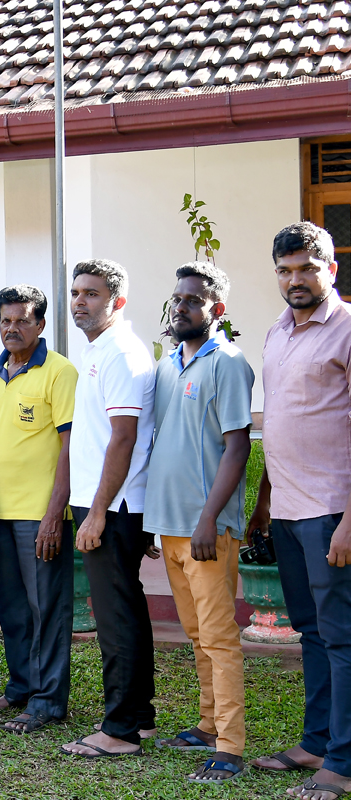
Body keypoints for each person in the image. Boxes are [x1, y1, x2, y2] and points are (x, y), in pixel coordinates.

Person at [249, 222, 351, 800]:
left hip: (333, 512)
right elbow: (281, 425)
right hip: (287, 510)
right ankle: (316, 739)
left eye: (307, 269)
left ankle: (341, 761)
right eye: (285, 270)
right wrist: (264, 504)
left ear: (330, 270)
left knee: (341, 636)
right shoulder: (277, 333)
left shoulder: (347, 329)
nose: (295, 280)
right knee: (310, 632)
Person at [144, 263, 253, 783]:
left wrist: (209, 518)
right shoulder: (169, 364)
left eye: (194, 299)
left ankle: (229, 747)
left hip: (207, 529)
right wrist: (151, 518)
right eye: (177, 298)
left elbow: (237, 448)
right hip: (169, 525)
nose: (181, 306)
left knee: (218, 636)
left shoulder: (227, 362)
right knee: (195, 633)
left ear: (217, 310)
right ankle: (208, 725)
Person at [59, 259, 158, 759]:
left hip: (112, 505)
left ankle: (118, 730)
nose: (80, 301)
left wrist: (97, 512)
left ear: (117, 300)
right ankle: (138, 718)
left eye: (92, 294)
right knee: (126, 609)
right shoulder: (101, 349)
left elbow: (124, 438)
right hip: (108, 503)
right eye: (76, 292)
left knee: (115, 617)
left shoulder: (119, 353)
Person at [0, 285, 77, 734]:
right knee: (13, 605)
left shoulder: (60, 372)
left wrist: (55, 513)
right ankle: (21, 687)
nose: (11, 328)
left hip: (41, 515)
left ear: (40, 324)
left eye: (21, 320)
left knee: (46, 608)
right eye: (4, 320)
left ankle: (48, 701)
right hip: (0, 511)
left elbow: (70, 445)